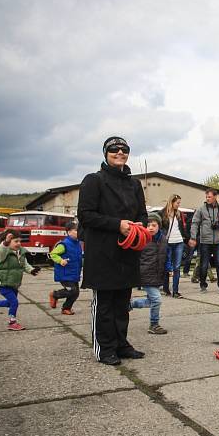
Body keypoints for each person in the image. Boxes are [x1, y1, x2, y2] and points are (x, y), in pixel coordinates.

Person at [77, 136, 148, 366]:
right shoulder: (93, 180)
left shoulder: (134, 184)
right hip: (102, 254)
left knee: (122, 303)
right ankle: (105, 348)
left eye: (124, 149)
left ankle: (121, 344)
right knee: (105, 303)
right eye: (114, 149)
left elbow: (143, 214)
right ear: (105, 153)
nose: (120, 152)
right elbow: (86, 215)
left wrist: (139, 227)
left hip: (127, 254)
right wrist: (118, 225)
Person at [0, 229, 40, 330]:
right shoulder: (3, 252)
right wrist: (5, 243)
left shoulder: (20, 252)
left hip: (14, 283)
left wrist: (32, 270)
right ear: (8, 242)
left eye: (19, 241)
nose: (18, 243)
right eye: (15, 241)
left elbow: (25, 264)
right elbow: (0, 252)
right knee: (14, 302)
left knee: (10, 302)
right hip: (3, 282)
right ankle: (12, 322)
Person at [130, 214, 169, 334]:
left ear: (159, 226)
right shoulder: (142, 238)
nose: (151, 228)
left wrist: (169, 267)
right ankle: (154, 324)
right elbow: (135, 258)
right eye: (148, 225)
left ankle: (128, 304)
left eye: (154, 225)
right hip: (145, 274)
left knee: (151, 301)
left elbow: (166, 256)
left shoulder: (163, 239)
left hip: (158, 275)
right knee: (157, 300)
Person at [188, 189, 219, 294]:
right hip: (205, 241)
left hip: (218, 242)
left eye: (209, 197)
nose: (207, 199)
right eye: (206, 197)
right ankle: (203, 285)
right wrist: (193, 237)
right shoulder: (201, 209)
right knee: (204, 264)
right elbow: (194, 223)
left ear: (215, 197)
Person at [48, 221, 83, 315]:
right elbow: (53, 254)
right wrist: (60, 260)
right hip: (64, 273)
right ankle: (54, 295)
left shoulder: (78, 244)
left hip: (74, 273)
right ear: (68, 232)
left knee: (75, 293)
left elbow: (79, 258)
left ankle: (66, 308)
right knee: (71, 290)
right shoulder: (64, 244)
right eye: (76, 230)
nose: (79, 232)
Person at [159, 194, 189, 298]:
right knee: (167, 266)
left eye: (179, 203)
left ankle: (175, 291)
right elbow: (160, 229)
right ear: (172, 202)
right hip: (168, 242)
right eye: (177, 203)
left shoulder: (179, 214)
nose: (178, 205)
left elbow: (182, 228)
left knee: (176, 267)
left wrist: (187, 239)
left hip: (179, 241)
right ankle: (166, 288)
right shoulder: (162, 213)